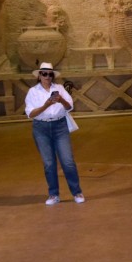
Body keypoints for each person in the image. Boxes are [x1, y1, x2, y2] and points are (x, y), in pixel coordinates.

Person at [25, 62, 85, 206]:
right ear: (39, 75)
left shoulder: (59, 89)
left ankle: (77, 191)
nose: (47, 76)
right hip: (41, 128)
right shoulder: (32, 91)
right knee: (49, 163)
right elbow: (31, 114)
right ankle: (53, 194)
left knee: (68, 161)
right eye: (44, 73)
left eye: (50, 74)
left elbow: (69, 106)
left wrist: (61, 100)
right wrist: (46, 105)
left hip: (59, 126)